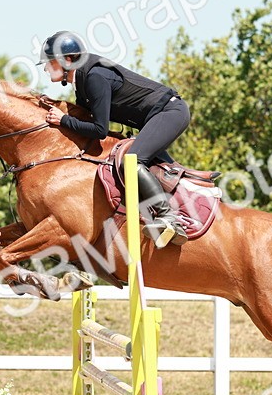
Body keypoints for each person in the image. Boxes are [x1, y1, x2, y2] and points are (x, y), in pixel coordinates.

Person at [38, 31, 190, 248]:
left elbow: (100, 129)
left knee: (132, 160)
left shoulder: (94, 77)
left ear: (67, 60)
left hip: (170, 111)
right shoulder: (81, 83)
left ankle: (168, 218)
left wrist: (63, 120)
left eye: (49, 63)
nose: (45, 68)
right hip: (155, 117)